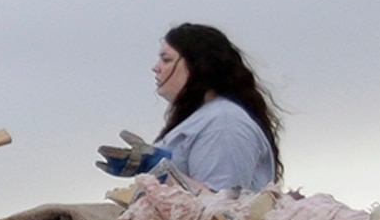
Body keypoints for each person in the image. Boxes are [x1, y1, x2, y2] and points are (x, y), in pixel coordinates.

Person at [99, 23, 281, 192]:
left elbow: (222, 210)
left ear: (197, 66)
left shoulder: (223, 122)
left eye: (166, 59)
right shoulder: (204, 118)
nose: (156, 68)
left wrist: (159, 170)